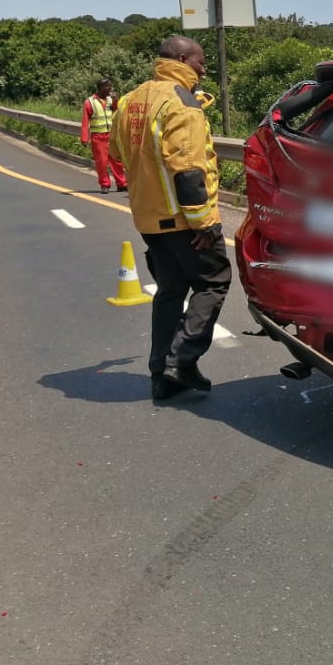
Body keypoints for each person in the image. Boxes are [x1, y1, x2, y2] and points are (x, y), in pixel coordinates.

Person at [110, 36, 231, 402]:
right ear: (182, 59)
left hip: (148, 219)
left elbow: (117, 151)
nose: (204, 68)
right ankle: (181, 360)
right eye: (200, 61)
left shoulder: (131, 100)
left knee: (171, 291)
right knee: (214, 282)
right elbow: (189, 171)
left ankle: (161, 374)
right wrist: (204, 224)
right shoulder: (182, 103)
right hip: (183, 220)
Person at [80, 77, 128, 194]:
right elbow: (85, 121)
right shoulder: (90, 102)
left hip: (112, 135)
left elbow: (118, 113)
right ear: (101, 88)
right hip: (98, 136)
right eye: (108, 87)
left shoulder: (111, 100)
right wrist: (84, 138)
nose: (110, 89)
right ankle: (105, 184)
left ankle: (122, 183)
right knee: (101, 162)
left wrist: (116, 101)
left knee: (117, 161)